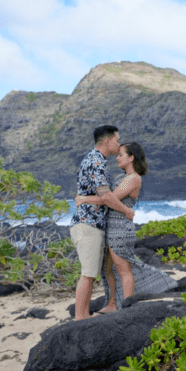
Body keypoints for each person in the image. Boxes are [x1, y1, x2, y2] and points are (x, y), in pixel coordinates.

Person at [76, 142, 177, 314]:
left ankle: (126, 307)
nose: (118, 157)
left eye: (121, 154)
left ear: (131, 158)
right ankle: (112, 304)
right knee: (108, 269)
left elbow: (111, 198)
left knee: (123, 268)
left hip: (121, 228)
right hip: (111, 227)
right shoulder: (122, 177)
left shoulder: (134, 178)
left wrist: (85, 199)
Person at [69, 125, 133, 321]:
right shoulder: (96, 161)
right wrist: (126, 210)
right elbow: (106, 196)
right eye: (116, 140)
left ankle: (84, 315)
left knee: (90, 273)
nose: (118, 144)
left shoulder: (96, 160)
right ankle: (80, 318)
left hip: (91, 224)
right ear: (107, 141)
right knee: (88, 275)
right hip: (88, 225)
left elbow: (101, 196)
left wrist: (85, 199)